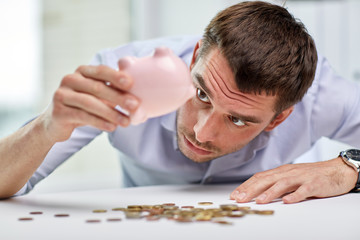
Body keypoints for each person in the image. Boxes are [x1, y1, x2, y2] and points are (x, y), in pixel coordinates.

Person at [0, 1, 359, 204]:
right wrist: (45, 128)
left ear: (279, 119)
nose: (201, 133)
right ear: (195, 58)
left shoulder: (324, 98)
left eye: (238, 119)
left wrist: (348, 168)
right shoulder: (124, 75)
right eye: (201, 94)